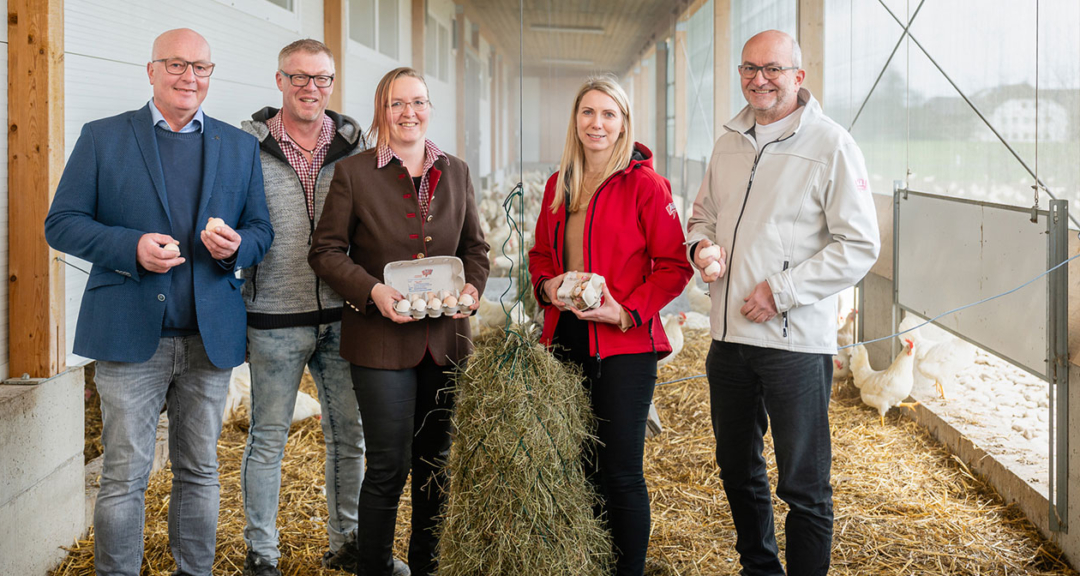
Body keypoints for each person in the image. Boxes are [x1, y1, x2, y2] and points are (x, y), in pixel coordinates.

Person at [45, 29, 273, 576]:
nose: (188, 77)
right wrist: (132, 247)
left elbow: (261, 230)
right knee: (125, 475)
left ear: (210, 75)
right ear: (151, 71)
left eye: (200, 67)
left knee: (200, 471)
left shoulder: (238, 146)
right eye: (175, 64)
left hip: (208, 338)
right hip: (129, 334)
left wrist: (237, 247)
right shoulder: (103, 137)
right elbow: (62, 223)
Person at [686, 30, 880, 576]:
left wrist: (782, 291)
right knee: (736, 467)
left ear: (798, 76)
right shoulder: (729, 141)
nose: (760, 79)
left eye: (772, 68)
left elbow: (860, 244)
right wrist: (700, 247)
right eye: (749, 68)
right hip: (728, 340)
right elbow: (702, 215)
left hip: (793, 345)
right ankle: (760, 567)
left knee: (803, 484)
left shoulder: (831, 145)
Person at [236, 39, 408, 576]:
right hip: (273, 315)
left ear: (332, 83)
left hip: (344, 312)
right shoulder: (246, 146)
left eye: (322, 78)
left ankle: (348, 542)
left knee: (347, 434)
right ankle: (262, 552)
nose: (311, 88)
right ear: (280, 81)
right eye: (300, 77)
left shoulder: (355, 144)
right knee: (268, 437)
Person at [308, 67, 488, 576]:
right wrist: (372, 290)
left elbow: (475, 249)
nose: (409, 113)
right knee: (389, 465)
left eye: (418, 102)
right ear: (381, 111)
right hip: (380, 341)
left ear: (430, 108)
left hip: (445, 341)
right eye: (397, 103)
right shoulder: (354, 173)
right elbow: (325, 251)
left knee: (435, 463)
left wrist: (471, 288)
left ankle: (427, 566)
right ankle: (375, 566)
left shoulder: (456, 171)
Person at [527, 76, 693, 576]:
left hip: (624, 346)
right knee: (581, 465)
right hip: (566, 342)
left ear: (623, 124)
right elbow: (540, 256)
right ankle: (594, 563)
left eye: (608, 114)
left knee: (620, 471)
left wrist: (624, 311)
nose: (596, 124)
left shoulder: (646, 186)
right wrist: (548, 287)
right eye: (588, 113)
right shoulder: (560, 184)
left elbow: (674, 266)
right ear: (575, 121)